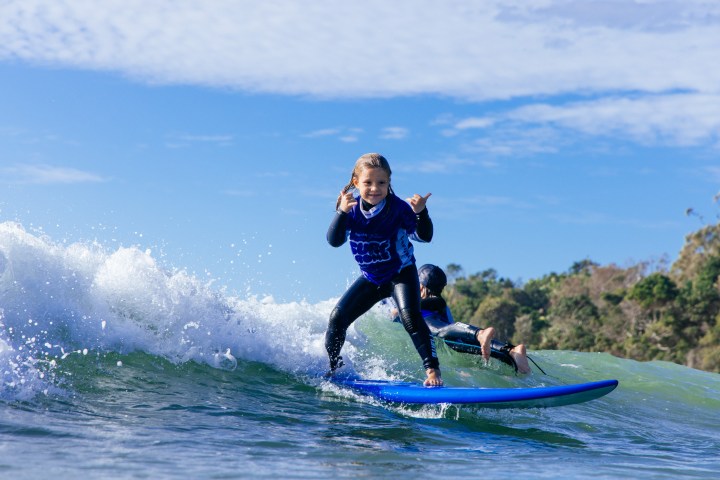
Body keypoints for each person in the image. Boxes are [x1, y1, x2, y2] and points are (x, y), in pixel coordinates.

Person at [325, 153, 442, 386]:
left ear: (389, 183)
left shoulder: (398, 209)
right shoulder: (351, 209)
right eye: (368, 182)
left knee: (410, 316)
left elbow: (424, 237)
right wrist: (341, 213)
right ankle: (334, 369)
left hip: (401, 273)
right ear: (356, 183)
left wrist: (421, 213)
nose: (374, 188)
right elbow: (334, 241)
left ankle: (432, 371)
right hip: (371, 278)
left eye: (381, 183)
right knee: (337, 318)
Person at [404, 264, 532, 374]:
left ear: (420, 286)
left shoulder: (429, 303)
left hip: (444, 335)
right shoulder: (441, 304)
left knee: (440, 332)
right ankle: (511, 350)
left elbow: (437, 326)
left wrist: (401, 309)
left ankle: (480, 334)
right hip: (456, 336)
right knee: (475, 345)